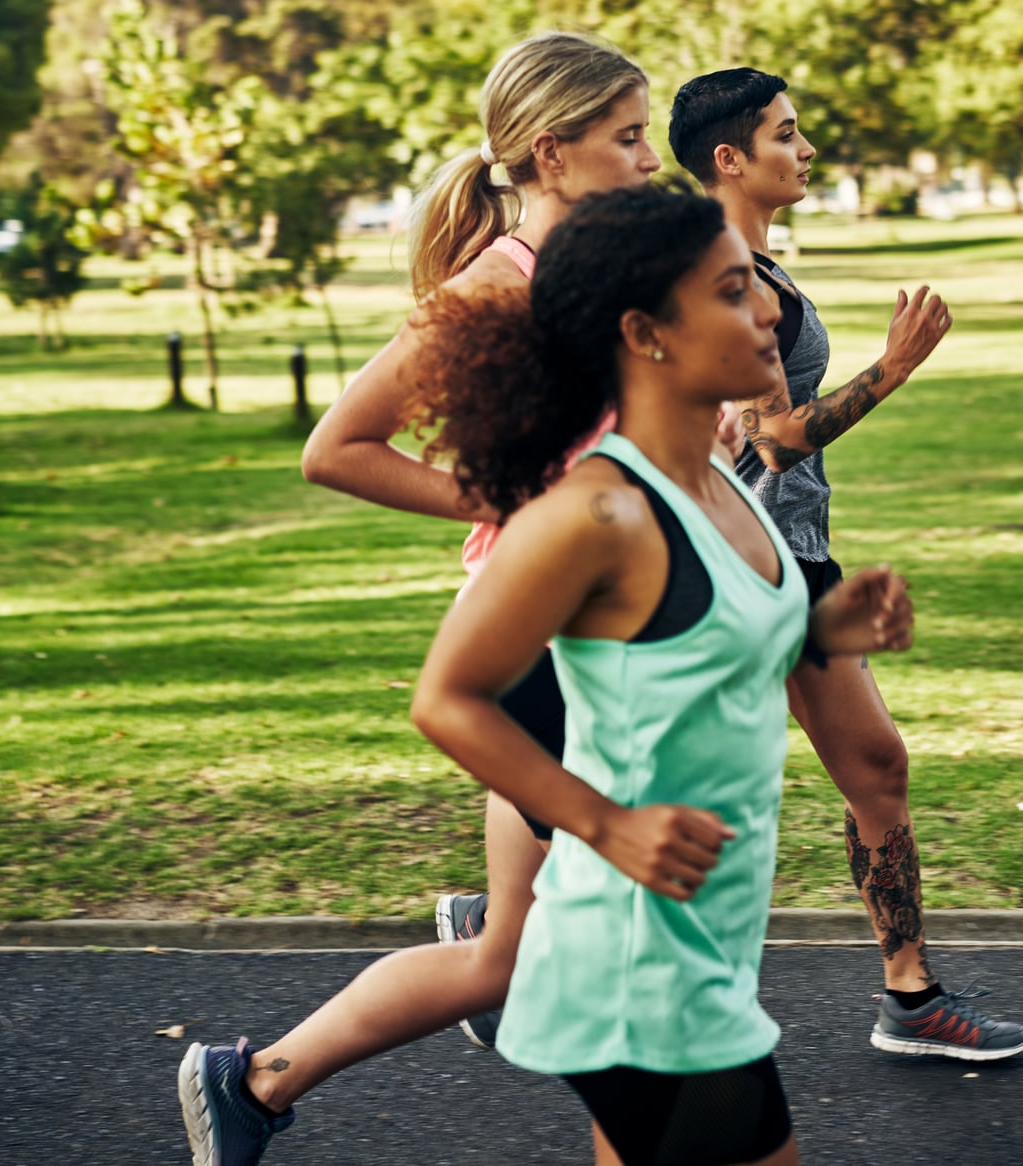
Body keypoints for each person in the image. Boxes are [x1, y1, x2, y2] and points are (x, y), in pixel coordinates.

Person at [180, 184, 919, 1166]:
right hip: (637, 965)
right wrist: (604, 823)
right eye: (734, 290)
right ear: (645, 334)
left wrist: (825, 627)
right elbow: (447, 697)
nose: (772, 311)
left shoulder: (705, 487)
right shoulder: (593, 511)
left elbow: (702, 654)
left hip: (704, 941)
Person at [298, 31, 660, 1049]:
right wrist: (497, 499)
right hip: (537, 629)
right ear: (552, 151)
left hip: (616, 615)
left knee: (547, 944)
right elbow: (336, 448)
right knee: (619, 929)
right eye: (626, 137)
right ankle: (260, 1076)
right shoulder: (495, 288)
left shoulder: (598, 270)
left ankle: (258, 1082)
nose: (646, 157)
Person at [667, 67, 1023, 1061]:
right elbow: (760, 446)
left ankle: (909, 998)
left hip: (795, 564)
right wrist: (893, 366)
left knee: (875, 768)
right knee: (687, 800)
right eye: (788, 133)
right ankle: (510, 930)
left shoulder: (755, 265)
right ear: (729, 158)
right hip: (740, 571)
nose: (808, 149)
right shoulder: (719, 273)